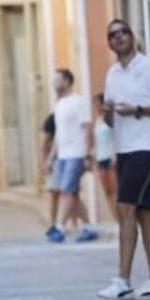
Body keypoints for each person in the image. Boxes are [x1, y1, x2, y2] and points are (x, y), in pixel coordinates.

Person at [99, 19, 150, 300]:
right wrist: (107, 111)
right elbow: (110, 121)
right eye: (113, 35)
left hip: (148, 146)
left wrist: (138, 110)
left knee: (126, 208)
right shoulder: (112, 74)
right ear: (109, 42)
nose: (119, 37)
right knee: (144, 213)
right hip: (124, 148)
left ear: (132, 37)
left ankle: (123, 280)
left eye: (123, 32)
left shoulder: (148, 67)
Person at [44, 69, 98, 244]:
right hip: (63, 155)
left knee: (68, 190)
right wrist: (51, 156)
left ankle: (60, 227)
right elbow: (59, 134)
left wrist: (88, 153)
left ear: (67, 81)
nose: (53, 83)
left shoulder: (78, 101)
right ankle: (88, 227)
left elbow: (88, 128)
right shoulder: (59, 105)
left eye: (57, 80)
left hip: (77, 153)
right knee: (70, 192)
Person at [93, 93, 118, 221]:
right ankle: (115, 218)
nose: (95, 107)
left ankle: (121, 218)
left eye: (97, 104)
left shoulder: (110, 119)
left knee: (115, 191)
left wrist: (114, 156)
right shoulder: (97, 120)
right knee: (107, 192)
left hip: (111, 157)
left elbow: (116, 138)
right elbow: (96, 141)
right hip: (101, 158)